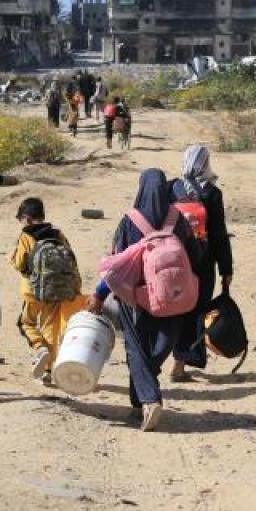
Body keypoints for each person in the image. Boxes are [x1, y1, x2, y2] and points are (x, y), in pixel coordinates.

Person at [87, 169, 204, 431]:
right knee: (161, 346)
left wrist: (99, 293)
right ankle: (138, 401)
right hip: (174, 295)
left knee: (136, 348)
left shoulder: (131, 220)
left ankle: (148, 399)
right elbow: (196, 256)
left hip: (136, 296)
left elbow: (118, 263)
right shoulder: (178, 218)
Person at [168, 144, 234, 382]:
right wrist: (226, 268)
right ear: (205, 163)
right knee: (196, 309)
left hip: (173, 260)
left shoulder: (172, 187)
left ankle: (169, 356)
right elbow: (218, 233)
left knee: (173, 306)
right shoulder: (212, 193)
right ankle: (181, 361)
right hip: (203, 262)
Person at [11, 197, 87, 385]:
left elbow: (20, 264)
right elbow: (71, 259)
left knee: (25, 323)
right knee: (49, 327)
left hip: (33, 291)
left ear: (27, 218)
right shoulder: (58, 234)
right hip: (58, 289)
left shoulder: (26, 236)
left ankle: (40, 349)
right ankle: (47, 370)